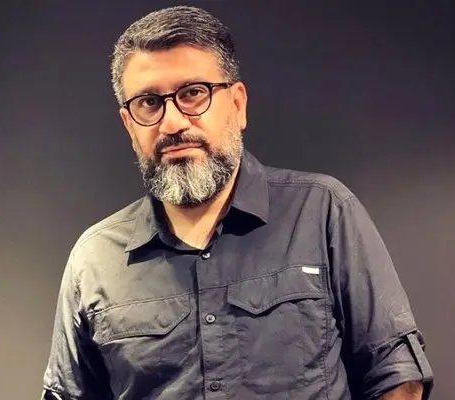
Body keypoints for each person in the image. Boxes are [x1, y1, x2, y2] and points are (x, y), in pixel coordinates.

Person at [42, 5, 434, 400]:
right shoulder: (94, 260)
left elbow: (395, 375)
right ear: (129, 125)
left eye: (193, 93)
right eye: (149, 102)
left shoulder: (323, 213)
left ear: (237, 104)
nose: (172, 123)